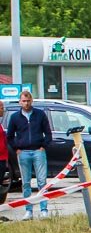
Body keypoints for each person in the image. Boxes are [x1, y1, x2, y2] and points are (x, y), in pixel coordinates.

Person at [7, 91, 53, 219]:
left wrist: (44, 146)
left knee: (42, 181)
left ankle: (44, 209)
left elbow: (48, 133)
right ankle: (29, 210)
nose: (26, 103)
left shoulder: (40, 114)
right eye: (24, 101)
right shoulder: (15, 117)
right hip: (23, 153)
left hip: (38, 151)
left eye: (28, 101)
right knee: (26, 183)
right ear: (20, 102)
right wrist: (17, 148)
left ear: (31, 101)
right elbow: (9, 136)